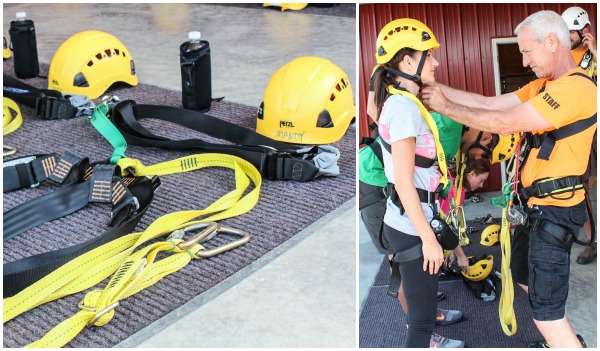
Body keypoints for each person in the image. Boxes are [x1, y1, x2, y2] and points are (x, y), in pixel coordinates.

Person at [421, 10, 596, 348]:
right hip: (535, 208)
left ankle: (563, 341)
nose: (525, 60)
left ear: (551, 42)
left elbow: (504, 123)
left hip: (555, 211)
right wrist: (430, 88)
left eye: (528, 51)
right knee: (522, 277)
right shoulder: (544, 86)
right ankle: (560, 339)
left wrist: (442, 106)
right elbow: (489, 103)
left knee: (547, 312)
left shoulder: (575, 88)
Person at [371, 17, 467, 348]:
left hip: (412, 220)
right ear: (407, 60)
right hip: (412, 225)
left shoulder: (404, 102)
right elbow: (403, 181)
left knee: (422, 314)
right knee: (422, 321)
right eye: (430, 53)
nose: (437, 61)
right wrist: (428, 238)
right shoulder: (402, 108)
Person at [562, 6, 597, 265]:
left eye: (570, 31)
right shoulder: (563, 57)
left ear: (584, 30)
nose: (566, 35)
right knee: (580, 190)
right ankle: (591, 242)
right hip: (578, 132)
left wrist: (594, 51)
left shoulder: (593, 56)